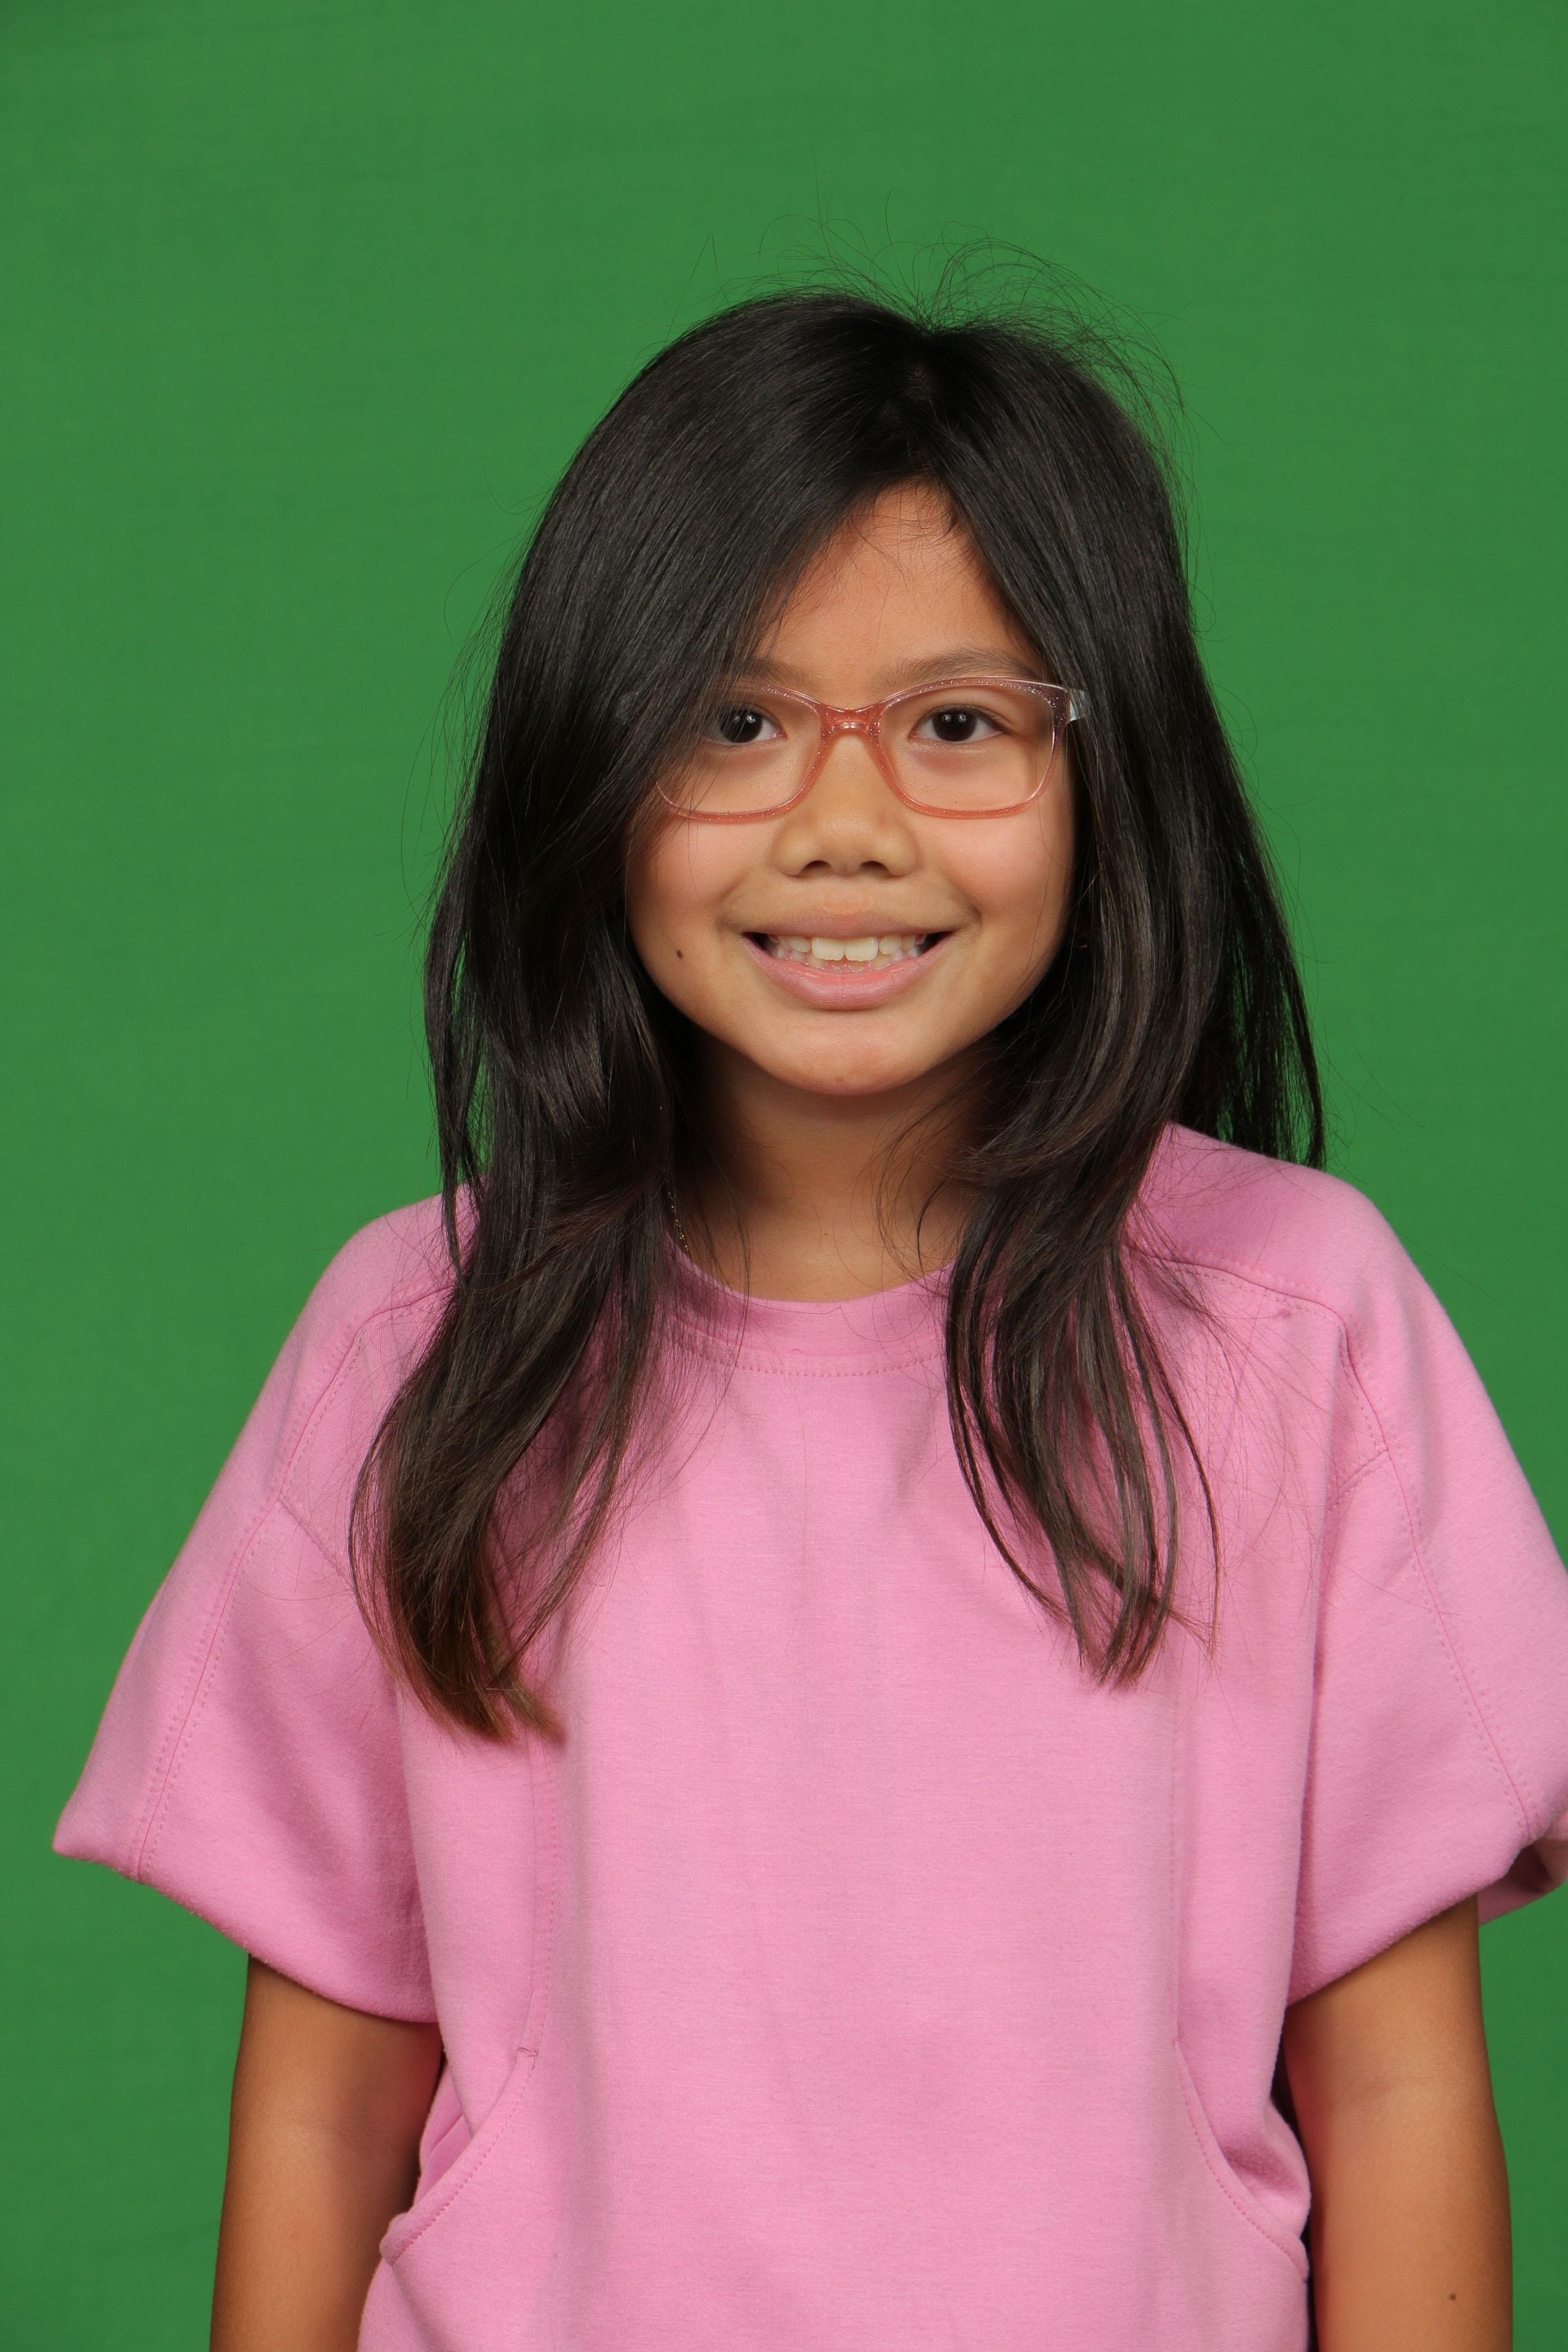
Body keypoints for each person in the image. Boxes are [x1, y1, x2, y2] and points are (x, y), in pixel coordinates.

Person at [56, 286, 1568, 2352]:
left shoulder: (1303, 1332)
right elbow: (325, 2120)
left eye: (957, 725)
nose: (843, 826)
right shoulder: (415, 1348)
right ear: (593, 767)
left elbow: (1395, 2095)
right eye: (734, 723)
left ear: (1105, 769)